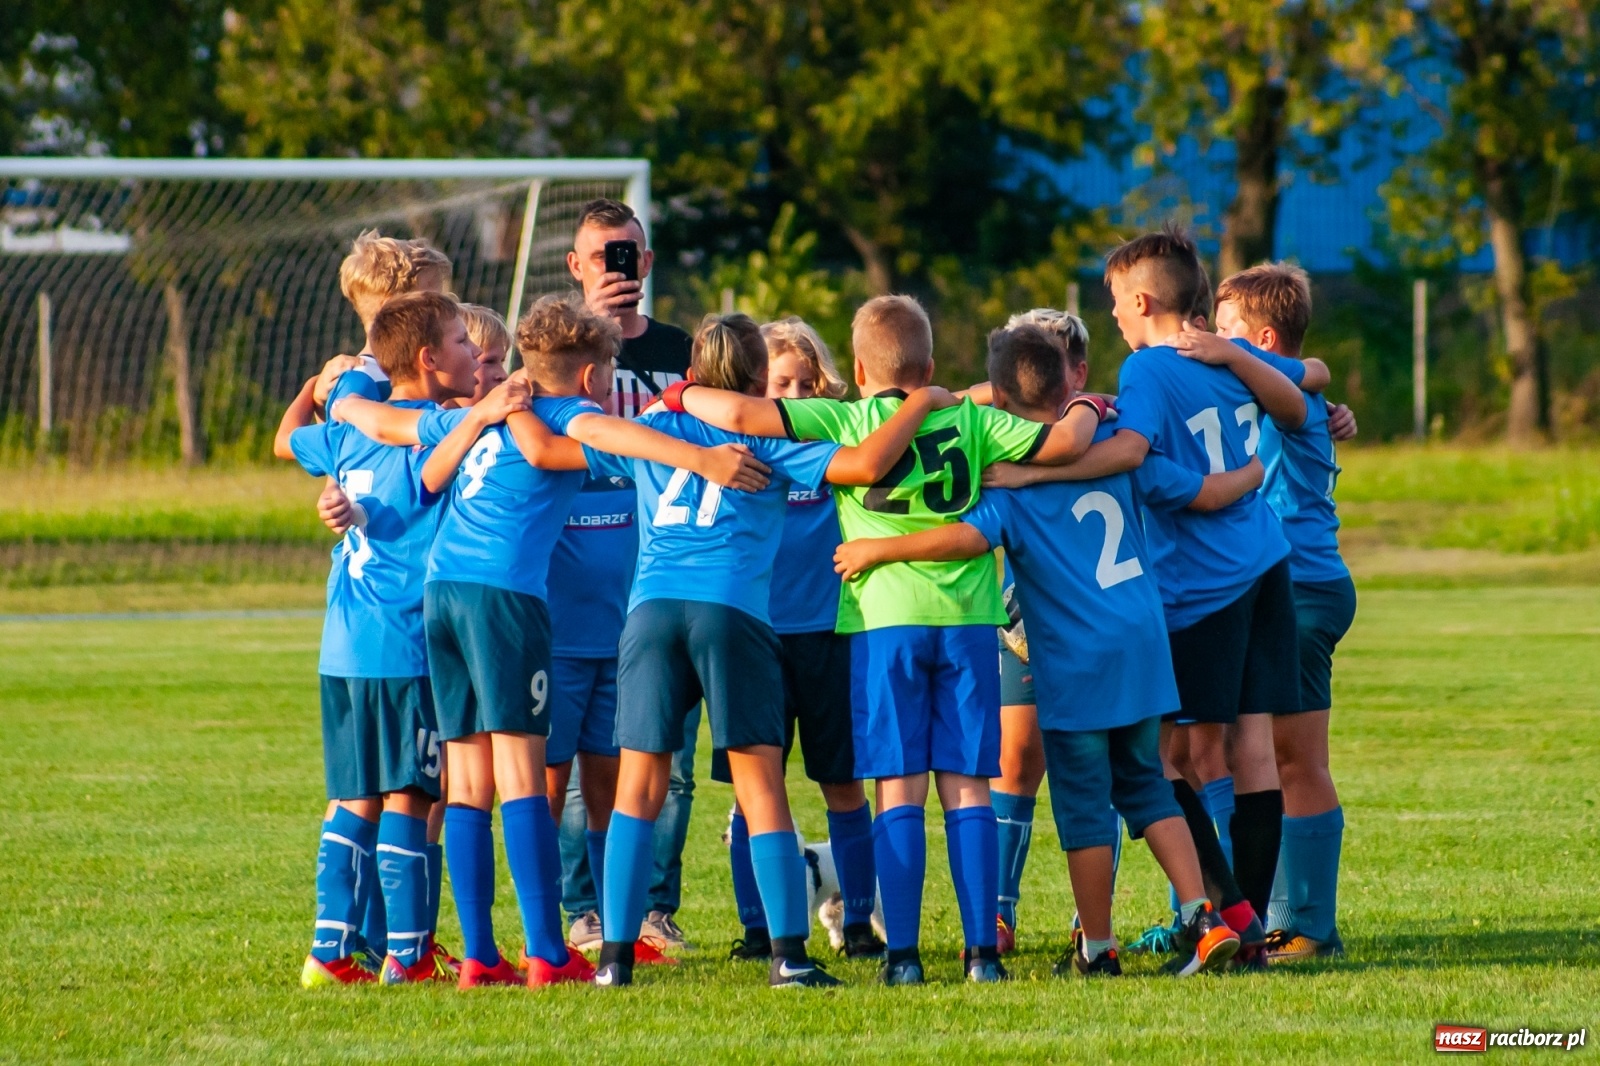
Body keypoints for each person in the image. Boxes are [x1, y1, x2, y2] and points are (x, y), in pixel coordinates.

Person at [670, 295, 1112, 985]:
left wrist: (683, 388)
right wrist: (1089, 404)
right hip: (967, 623)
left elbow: (738, 414)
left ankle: (902, 956)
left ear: (857, 369)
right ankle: (982, 956)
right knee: (967, 788)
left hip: (882, 626)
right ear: (930, 364)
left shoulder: (844, 418)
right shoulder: (971, 419)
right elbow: (1065, 443)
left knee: (897, 788)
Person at [332, 296, 770, 989]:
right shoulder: (561, 412)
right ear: (595, 377)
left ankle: (480, 954)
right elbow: (623, 440)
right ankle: (546, 949)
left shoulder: (494, 410)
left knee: (468, 781)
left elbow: (395, 427)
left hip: (441, 591)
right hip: (504, 597)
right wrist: (704, 459)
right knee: (523, 777)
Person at [834, 324, 1260, 977]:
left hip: (1076, 664)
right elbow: (1181, 486)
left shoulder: (1009, 485)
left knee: (1086, 809)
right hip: (1144, 648)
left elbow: (963, 541)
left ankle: (1096, 949)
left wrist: (877, 548)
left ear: (998, 399)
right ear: (1072, 382)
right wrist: (1256, 470)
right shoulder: (1116, 446)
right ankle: (1203, 917)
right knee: (1148, 786)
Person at [583, 313, 957, 989]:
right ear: (760, 384)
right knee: (763, 790)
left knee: (639, 788)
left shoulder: (655, 430)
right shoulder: (769, 438)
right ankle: (789, 954)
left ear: (691, 376)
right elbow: (871, 462)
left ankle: (614, 959)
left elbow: (574, 436)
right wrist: (928, 400)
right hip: (731, 609)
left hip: (650, 611)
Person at [1016, 224, 1322, 963]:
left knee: (1159, 762)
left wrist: (1035, 472)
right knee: (1250, 751)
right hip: (1266, 567)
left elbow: (1136, 462)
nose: (1113, 315)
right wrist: (1246, 474)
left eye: (1116, 301)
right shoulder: (1229, 351)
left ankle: (1230, 915)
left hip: (1203, 588)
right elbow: (1304, 391)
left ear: (1143, 298)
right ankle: (1251, 930)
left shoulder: (1147, 371)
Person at [271, 290, 477, 987]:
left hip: (343, 647)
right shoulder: (434, 431)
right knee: (411, 800)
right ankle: (409, 955)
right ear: (427, 359)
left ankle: (327, 954)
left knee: (356, 797)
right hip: (405, 644)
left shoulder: (345, 432)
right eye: (461, 342)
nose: (473, 354)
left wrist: (312, 390)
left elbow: (285, 438)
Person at [718, 318, 884, 963]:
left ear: (825, 384)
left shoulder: (837, 442)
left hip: (828, 635)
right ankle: (759, 929)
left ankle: (861, 923)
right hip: (751, 634)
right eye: (777, 382)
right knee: (753, 792)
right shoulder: (737, 446)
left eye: (803, 381)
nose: (789, 393)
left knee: (843, 784)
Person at [561, 197, 697, 953]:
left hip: (668, 573)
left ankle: (652, 907)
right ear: (576, 267)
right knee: (590, 766)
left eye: (630, 255)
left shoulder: (684, 350)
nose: (619, 269)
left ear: (646, 264)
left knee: (669, 761)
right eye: (602, 256)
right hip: (584, 585)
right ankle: (585, 909)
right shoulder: (550, 358)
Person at [1212, 263, 1356, 962]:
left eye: (1227, 330)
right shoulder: (1264, 388)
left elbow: (1311, 374)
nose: (1213, 340)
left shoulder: (1284, 388)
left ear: (1265, 339)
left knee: (1296, 759)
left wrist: (1307, 374)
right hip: (1279, 587)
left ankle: (1309, 926)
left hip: (1301, 588)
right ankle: (1246, 915)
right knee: (1248, 755)